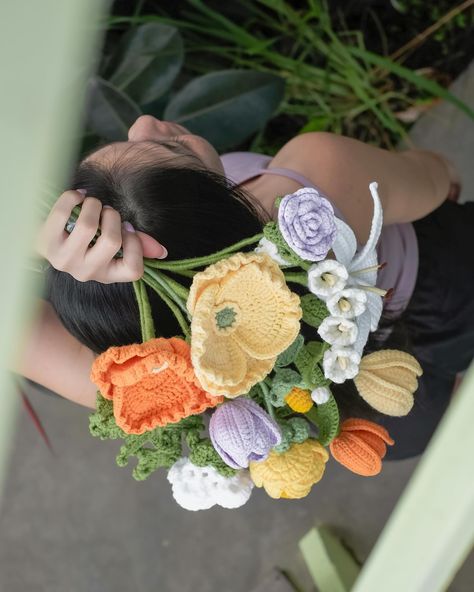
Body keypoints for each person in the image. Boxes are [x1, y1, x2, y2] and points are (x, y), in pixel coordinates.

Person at [15, 115, 472, 461]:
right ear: (217, 210)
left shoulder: (154, 383)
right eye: (171, 145)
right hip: (444, 286)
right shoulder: (319, 176)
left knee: (445, 423)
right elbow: (434, 177)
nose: (143, 122)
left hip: (359, 411)